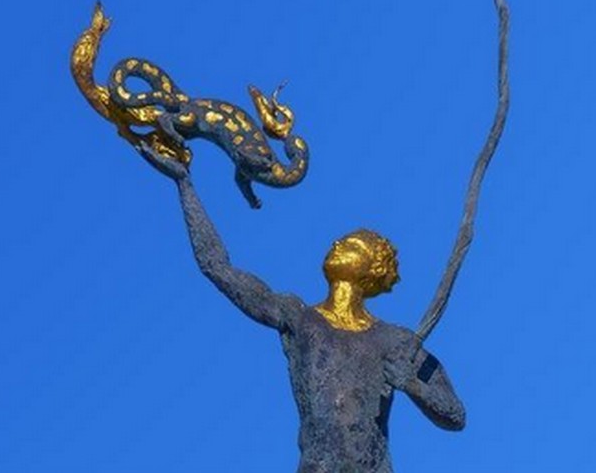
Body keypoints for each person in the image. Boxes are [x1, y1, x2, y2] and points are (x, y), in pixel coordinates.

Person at [141, 145, 465, 473]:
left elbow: (455, 415)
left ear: (373, 269)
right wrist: (185, 185)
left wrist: (411, 384)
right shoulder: (297, 315)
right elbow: (217, 266)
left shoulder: (394, 340)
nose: (338, 245)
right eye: (340, 241)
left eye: (352, 246)